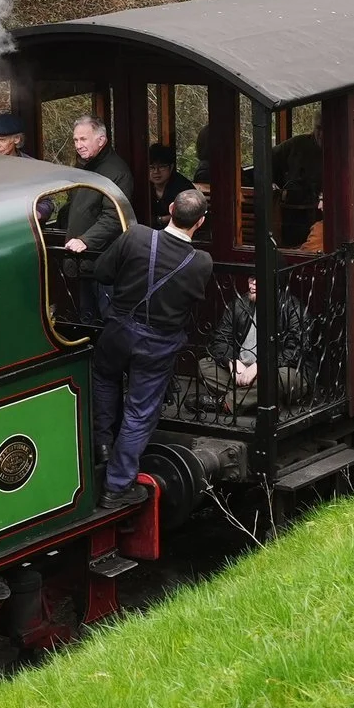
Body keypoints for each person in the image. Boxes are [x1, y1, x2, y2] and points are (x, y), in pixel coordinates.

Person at [89, 187, 214, 510]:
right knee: (140, 413)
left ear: (171, 208)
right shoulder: (201, 262)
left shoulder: (136, 236)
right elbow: (194, 301)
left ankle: (101, 444)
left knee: (104, 379)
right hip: (157, 343)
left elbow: (102, 271)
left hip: (117, 330)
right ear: (200, 222)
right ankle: (116, 486)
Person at [59, 114, 136, 259]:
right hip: (76, 253)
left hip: (100, 257)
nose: (78, 146)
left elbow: (115, 217)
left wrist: (85, 240)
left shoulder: (117, 172)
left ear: (101, 140)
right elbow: (74, 206)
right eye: (75, 140)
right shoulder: (82, 166)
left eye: (83, 139)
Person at [142, 143, 183, 223]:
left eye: (162, 167)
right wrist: (162, 219)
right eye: (151, 167)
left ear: (171, 167)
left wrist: (159, 220)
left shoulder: (182, 187)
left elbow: (186, 216)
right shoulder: (143, 186)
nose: (156, 172)